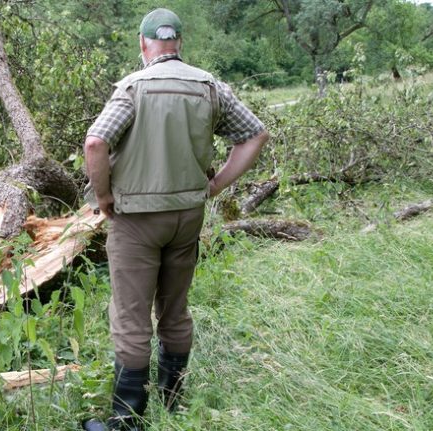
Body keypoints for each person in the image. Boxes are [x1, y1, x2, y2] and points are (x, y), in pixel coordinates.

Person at [81, 8, 270, 431]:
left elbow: (96, 142)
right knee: (175, 309)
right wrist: (216, 184)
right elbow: (255, 134)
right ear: (179, 43)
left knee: (131, 317)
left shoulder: (133, 88)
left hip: (136, 221)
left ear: (143, 44)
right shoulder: (208, 86)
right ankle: (173, 401)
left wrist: (104, 196)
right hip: (187, 217)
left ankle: (126, 420)